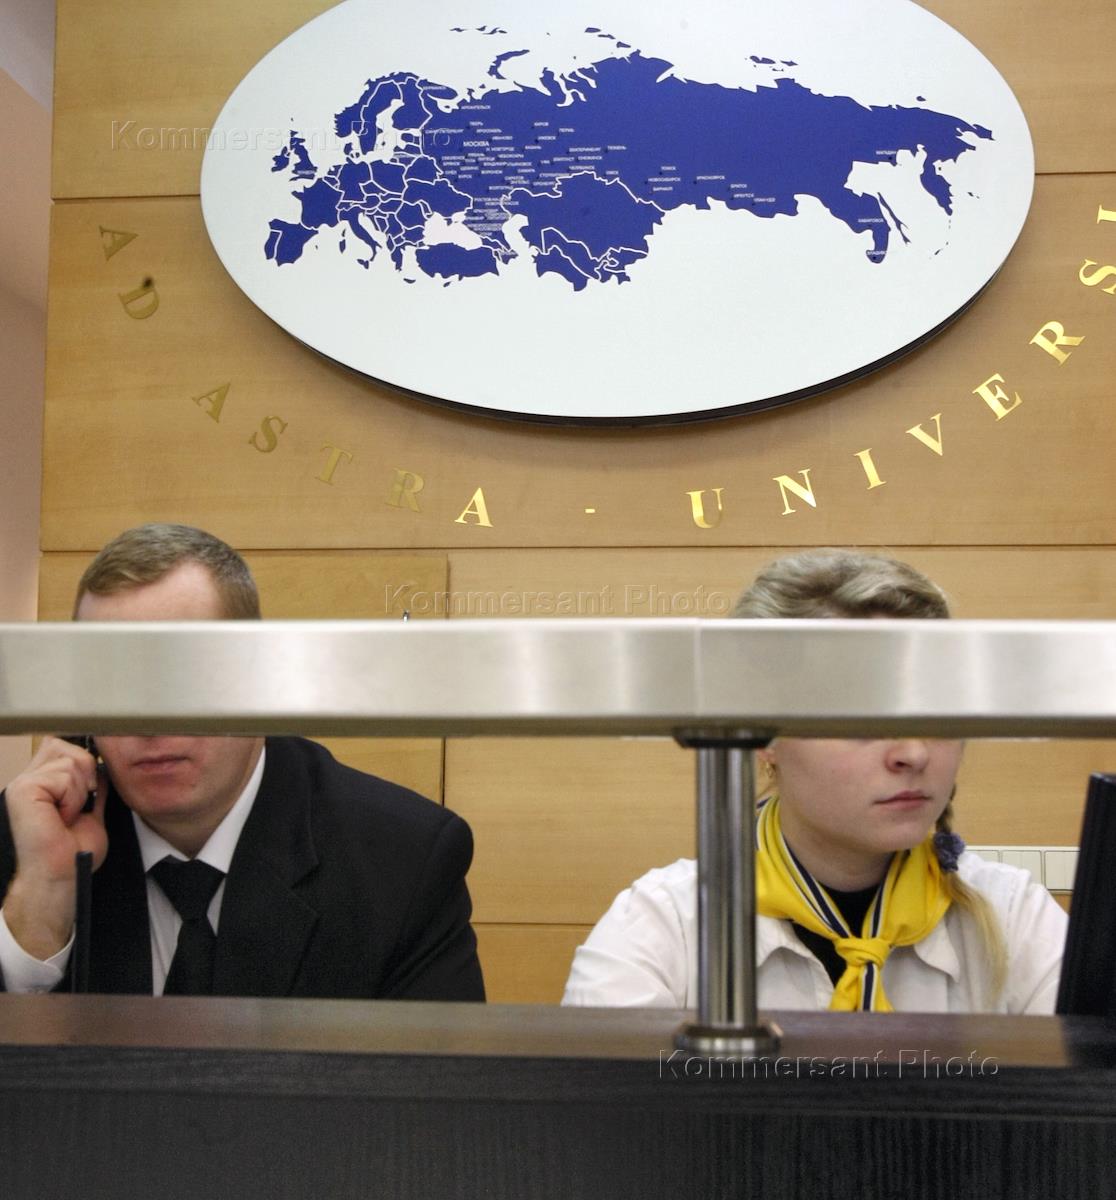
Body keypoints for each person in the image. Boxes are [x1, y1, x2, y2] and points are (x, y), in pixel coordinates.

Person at [563, 548, 1066, 1014]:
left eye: (935, 709)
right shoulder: (660, 928)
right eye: (860, 714)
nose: (913, 753)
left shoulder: (1017, 919)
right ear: (760, 733)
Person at [0, 524, 485, 1000]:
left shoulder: (401, 861)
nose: (146, 723)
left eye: (183, 674)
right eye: (114, 681)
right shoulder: (30, 840)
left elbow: (438, 1057)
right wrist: (43, 900)